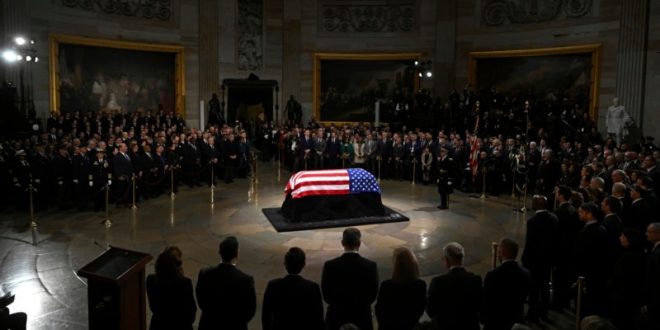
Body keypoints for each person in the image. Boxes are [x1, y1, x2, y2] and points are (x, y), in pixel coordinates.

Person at [321, 228, 379, 330]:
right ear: (359, 244)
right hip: (362, 317)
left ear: (342, 243)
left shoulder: (330, 266)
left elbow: (326, 296)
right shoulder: (370, 266)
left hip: (336, 318)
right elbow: (372, 296)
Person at [196, 236, 256, 330]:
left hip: (209, 324)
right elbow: (249, 311)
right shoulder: (246, 280)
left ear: (219, 252)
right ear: (236, 254)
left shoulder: (205, 274)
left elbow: (201, 300)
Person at [262, 247, 324, 330]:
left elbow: (266, 316)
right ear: (303, 264)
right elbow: (318, 319)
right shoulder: (312, 288)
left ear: (285, 263)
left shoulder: (273, 285)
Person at [426, 242, 482, 330]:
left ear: (447, 260)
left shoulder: (438, 282)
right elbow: (479, 307)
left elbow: (430, 310)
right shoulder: (475, 280)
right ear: (462, 259)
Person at [521, 195, 558, 322]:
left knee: (534, 289)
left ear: (535, 205)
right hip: (548, 260)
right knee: (545, 287)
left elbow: (530, 243)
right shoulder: (554, 218)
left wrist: (525, 259)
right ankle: (544, 313)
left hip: (535, 261)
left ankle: (533, 314)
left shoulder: (533, 222)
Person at [482, 238, 531, 330]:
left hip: (495, 323)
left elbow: (486, 301)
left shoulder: (493, 275)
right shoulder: (526, 274)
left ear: (503, 253)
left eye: (499, 252)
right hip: (515, 320)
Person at [375, 247, 427, 330]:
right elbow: (419, 310)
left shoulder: (386, 286)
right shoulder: (420, 285)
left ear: (395, 264)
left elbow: (380, 312)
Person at [146, 246, 196, 330]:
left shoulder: (151, 279)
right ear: (176, 267)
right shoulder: (184, 283)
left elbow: (153, 307)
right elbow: (191, 313)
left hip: (158, 325)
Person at [576, 202, 611, 316]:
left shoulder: (586, 232)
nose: (579, 215)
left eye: (581, 212)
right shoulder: (601, 229)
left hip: (589, 274)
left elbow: (582, 255)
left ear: (589, 214)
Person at [607, 229, 647, 330]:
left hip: (623, 297)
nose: (620, 238)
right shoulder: (642, 254)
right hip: (633, 296)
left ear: (629, 239)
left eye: (622, 236)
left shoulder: (628, 257)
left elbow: (620, 277)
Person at [644, 222, 660, 329]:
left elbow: (656, 279)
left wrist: (650, 303)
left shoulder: (658, 252)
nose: (646, 234)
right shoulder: (655, 249)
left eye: (649, 232)